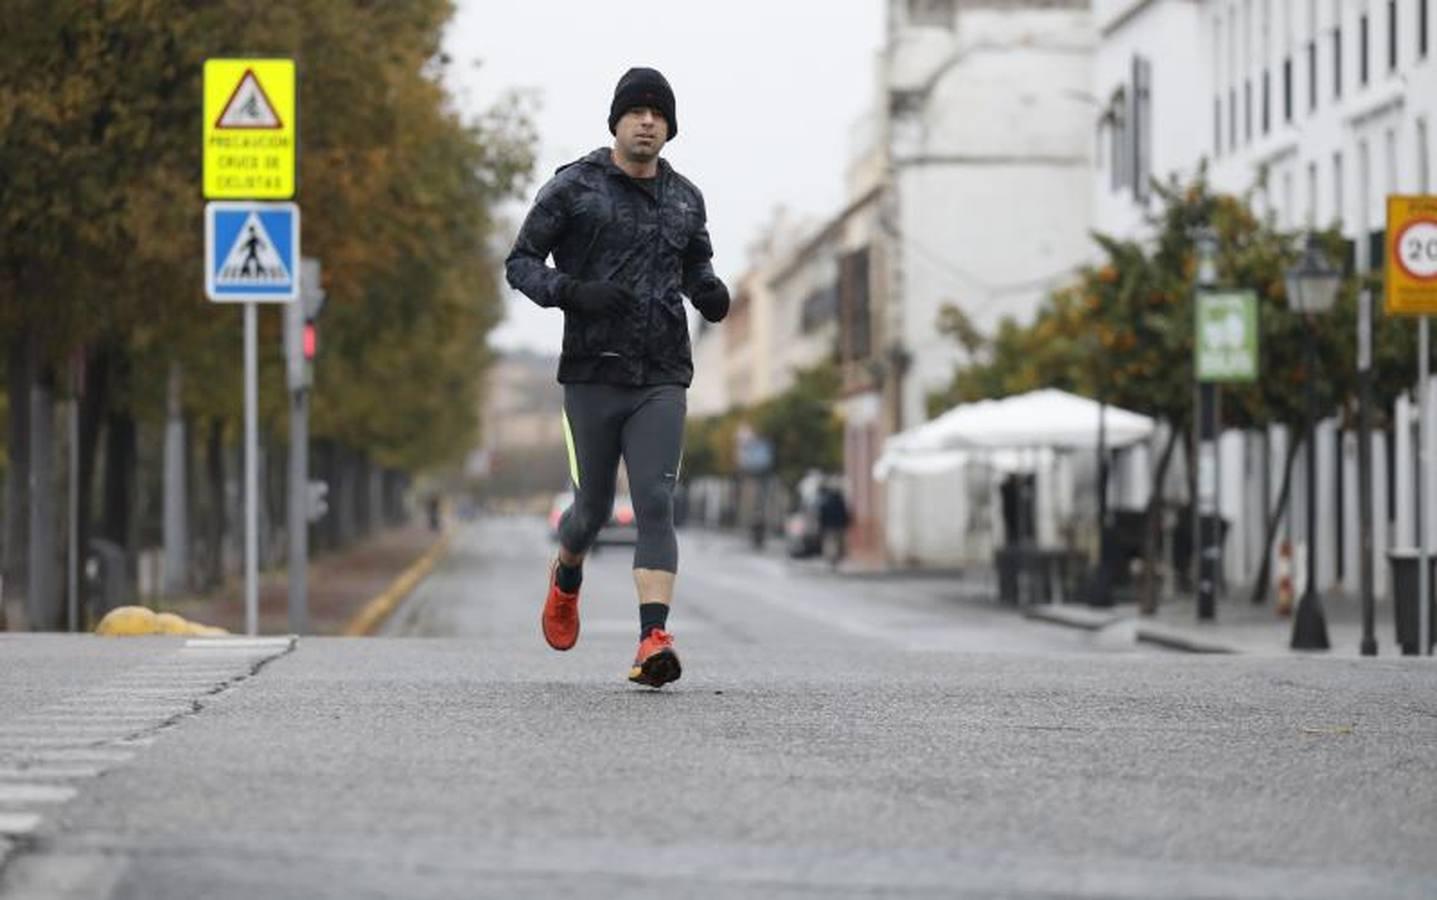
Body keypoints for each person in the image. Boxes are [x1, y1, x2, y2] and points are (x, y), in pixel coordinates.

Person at [504, 67, 729, 688]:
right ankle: (567, 575)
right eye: (638, 111)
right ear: (617, 121)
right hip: (592, 374)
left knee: (656, 503)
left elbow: (697, 261)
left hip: (662, 374)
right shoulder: (574, 188)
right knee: (592, 510)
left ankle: (652, 638)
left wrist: (706, 290)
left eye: (659, 113)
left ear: (670, 127)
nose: (648, 121)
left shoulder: (686, 197)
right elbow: (520, 263)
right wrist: (572, 291)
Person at [817, 480, 851, 569]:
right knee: (837, 543)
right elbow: (845, 514)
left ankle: (832, 559)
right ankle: (835, 559)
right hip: (838, 526)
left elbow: (822, 516)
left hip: (829, 527)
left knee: (831, 544)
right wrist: (846, 524)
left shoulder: (826, 502)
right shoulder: (840, 502)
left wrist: (822, 526)